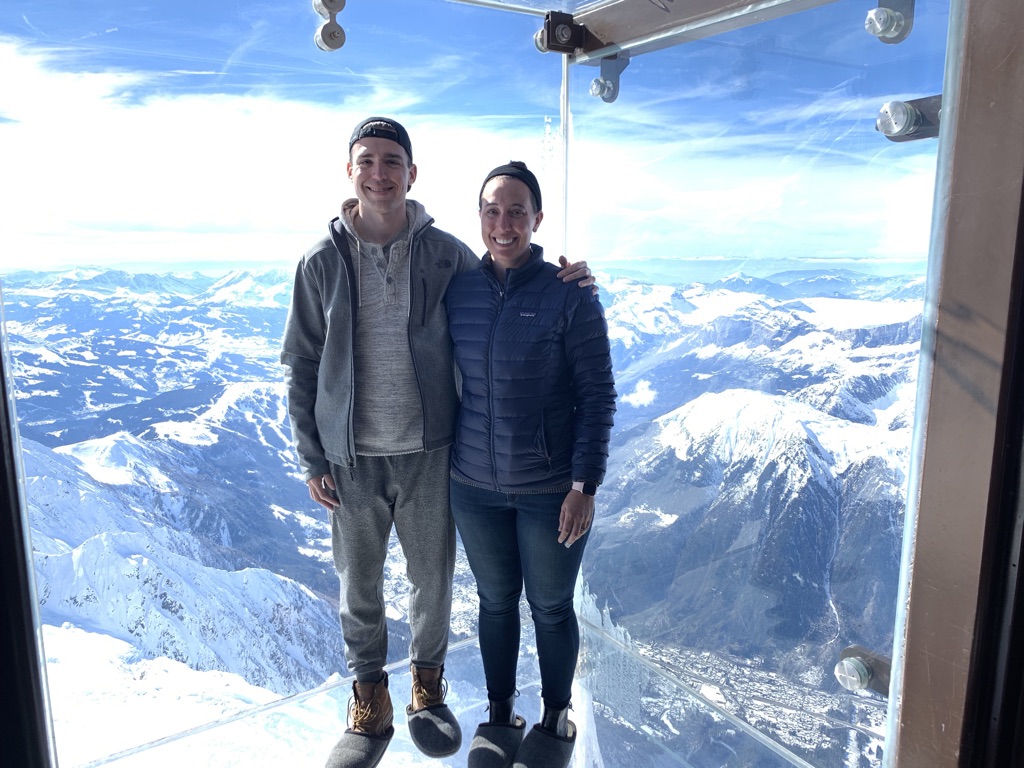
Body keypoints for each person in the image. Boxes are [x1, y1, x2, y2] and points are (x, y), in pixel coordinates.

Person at [280, 119, 593, 768]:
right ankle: (370, 702)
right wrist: (312, 455)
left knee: (432, 580)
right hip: (350, 457)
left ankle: (427, 688)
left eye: (392, 161)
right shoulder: (319, 263)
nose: (379, 173)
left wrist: (568, 281)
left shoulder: (446, 255)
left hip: (432, 449)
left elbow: (505, 282)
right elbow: (301, 363)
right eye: (367, 161)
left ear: (412, 174)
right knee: (358, 585)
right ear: (349, 172)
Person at [445, 161, 616, 768]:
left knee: (550, 606)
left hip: (550, 490)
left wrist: (584, 485)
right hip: (473, 486)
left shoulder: (569, 293)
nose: (503, 223)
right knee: (494, 603)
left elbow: (597, 395)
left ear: (537, 219)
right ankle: (500, 715)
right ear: (480, 217)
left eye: (516, 211)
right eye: (492, 210)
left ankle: (555, 718)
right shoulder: (459, 291)